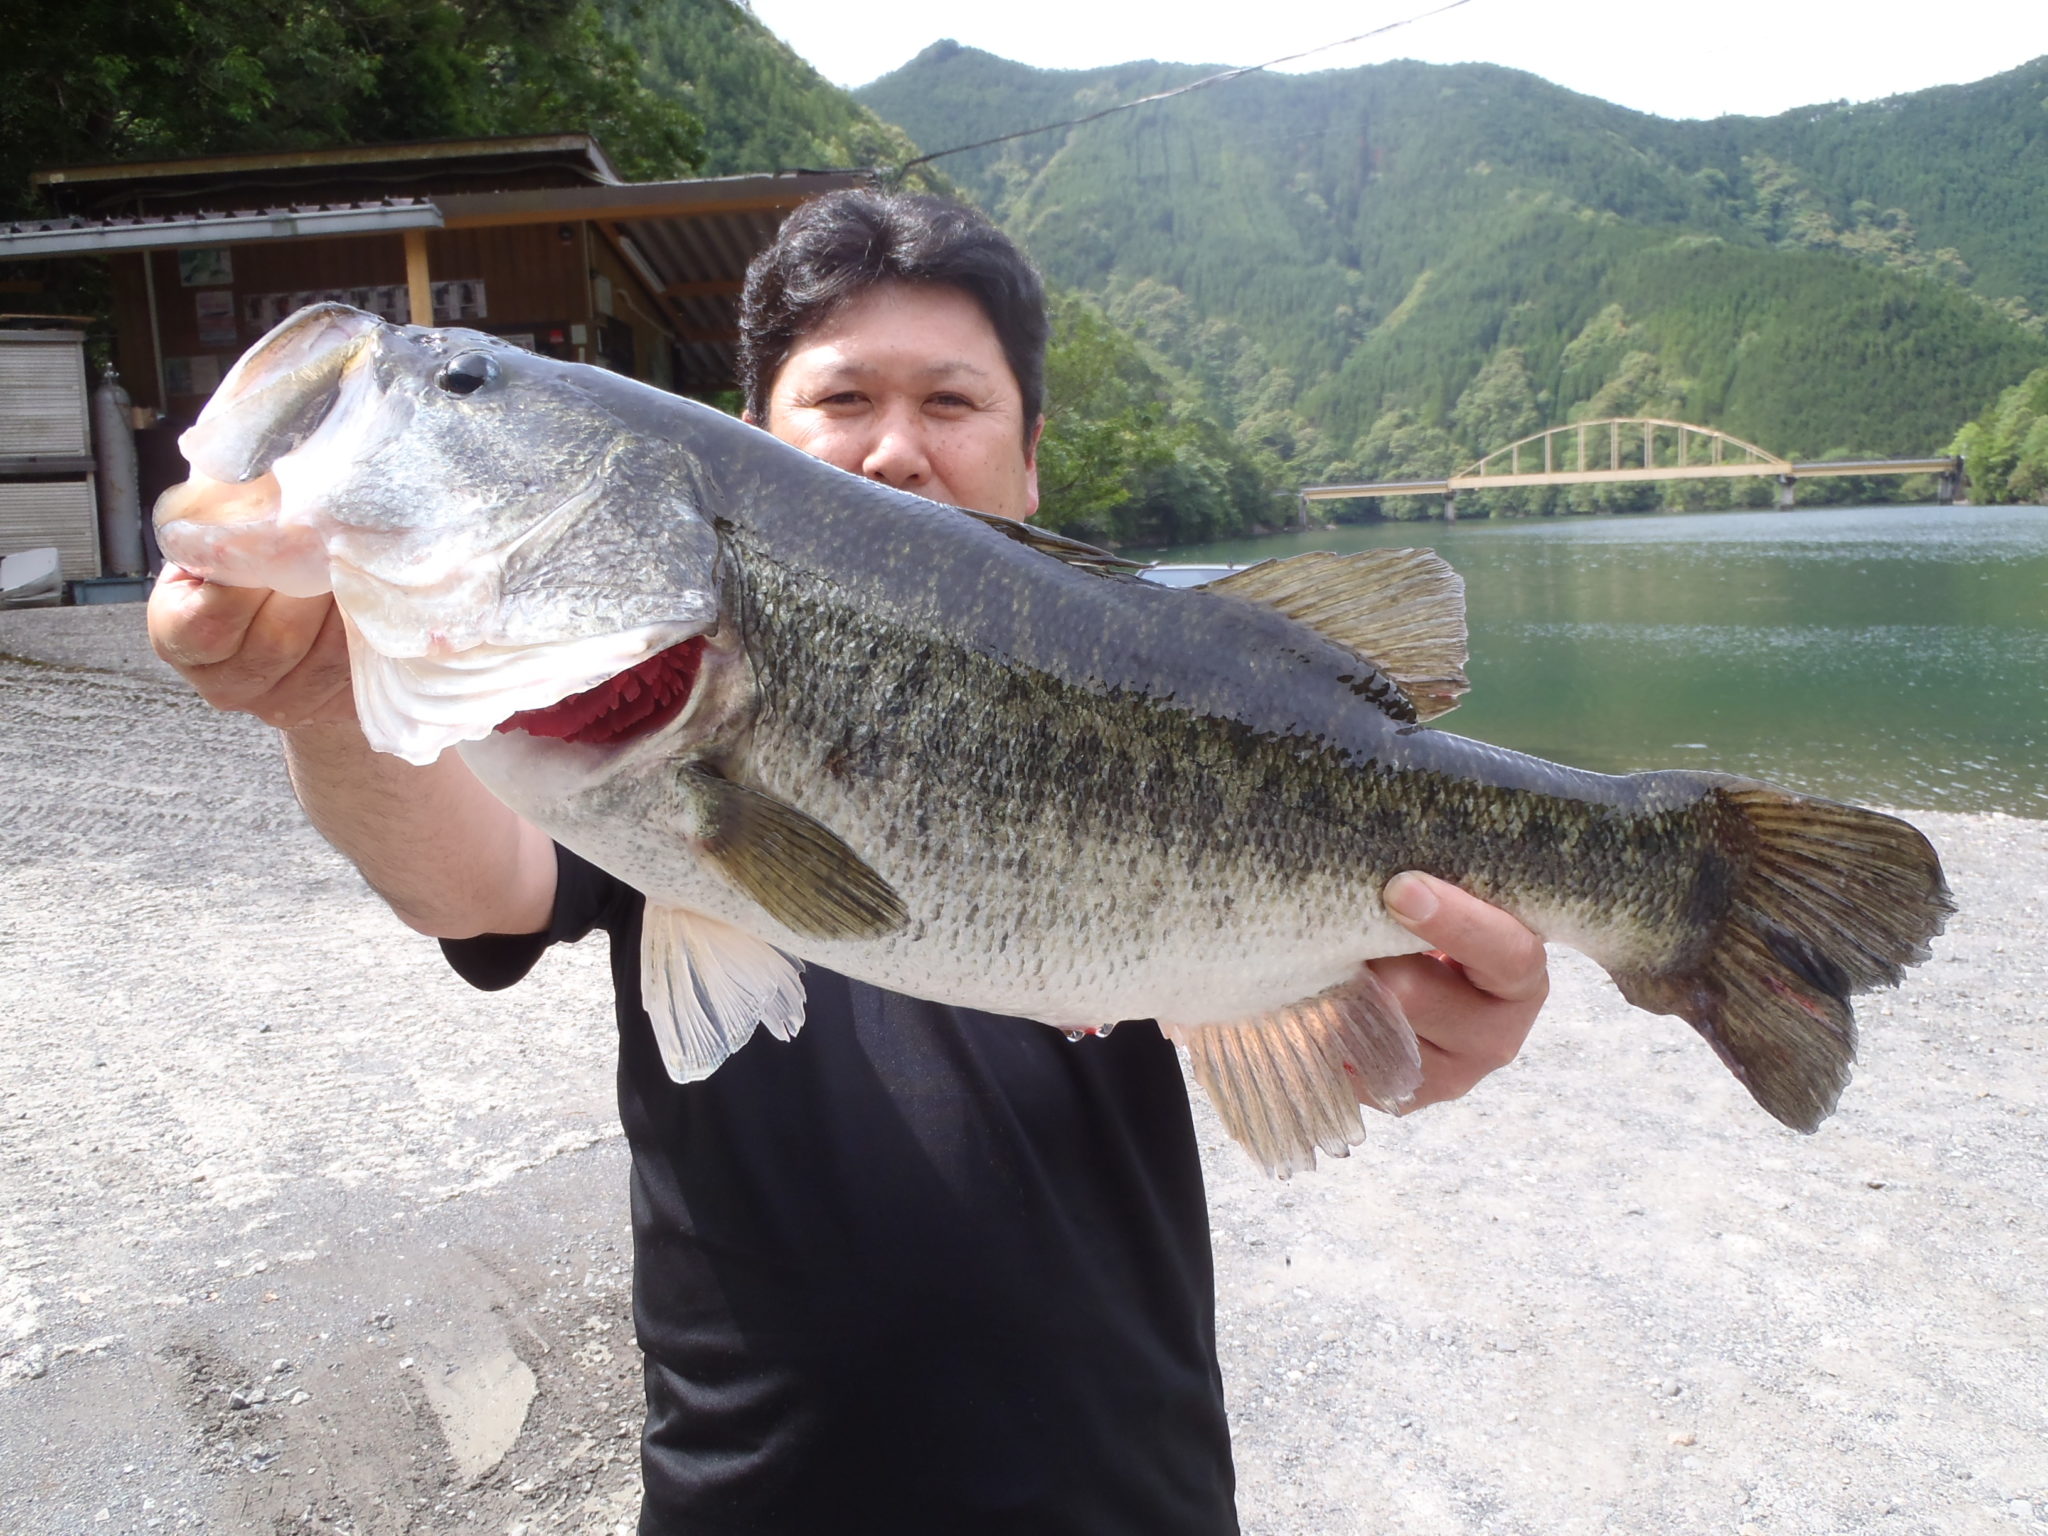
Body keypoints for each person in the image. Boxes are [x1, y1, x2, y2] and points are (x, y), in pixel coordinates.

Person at [148, 191, 1549, 1534]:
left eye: (951, 402)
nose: (894, 449)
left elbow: (1326, 1030)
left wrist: (1411, 1029)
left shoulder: (1168, 676)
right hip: (748, 1504)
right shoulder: (612, 716)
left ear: (1031, 452)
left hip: (1129, 1501)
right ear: (749, 434)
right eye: (842, 399)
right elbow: (470, 883)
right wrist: (322, 702)